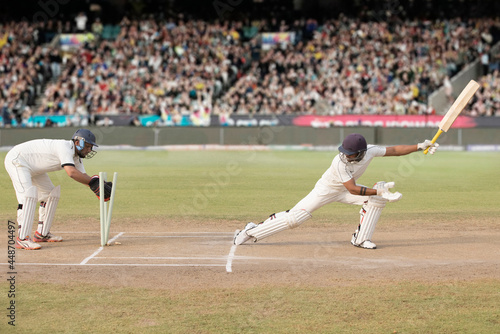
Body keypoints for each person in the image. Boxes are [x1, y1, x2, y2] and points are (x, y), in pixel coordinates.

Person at [234, 133, 439, 249]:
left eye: (350, 154)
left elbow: (393, 150)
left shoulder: (370, 151)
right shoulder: (339, 162)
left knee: (376, 201)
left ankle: (360, 239)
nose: (346, 156)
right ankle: (250, 230)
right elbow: (352, 188)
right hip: (327, 190)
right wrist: (378, 192)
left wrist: (420, 146)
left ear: (360, 153)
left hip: (346, 190)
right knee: (295, 219)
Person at [4, 129, 112, 250]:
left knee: (50, 194)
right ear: (78, 142)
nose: (89, 150)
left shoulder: (76, 157)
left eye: (91, 147)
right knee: (27, 197)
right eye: (87, 146)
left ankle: (42, 234)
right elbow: (71, 173)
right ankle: (22, 238)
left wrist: (99, 186)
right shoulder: (65, 147)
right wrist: (93, 183)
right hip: (18, 160)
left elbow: (83, 177)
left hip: (34, 167)